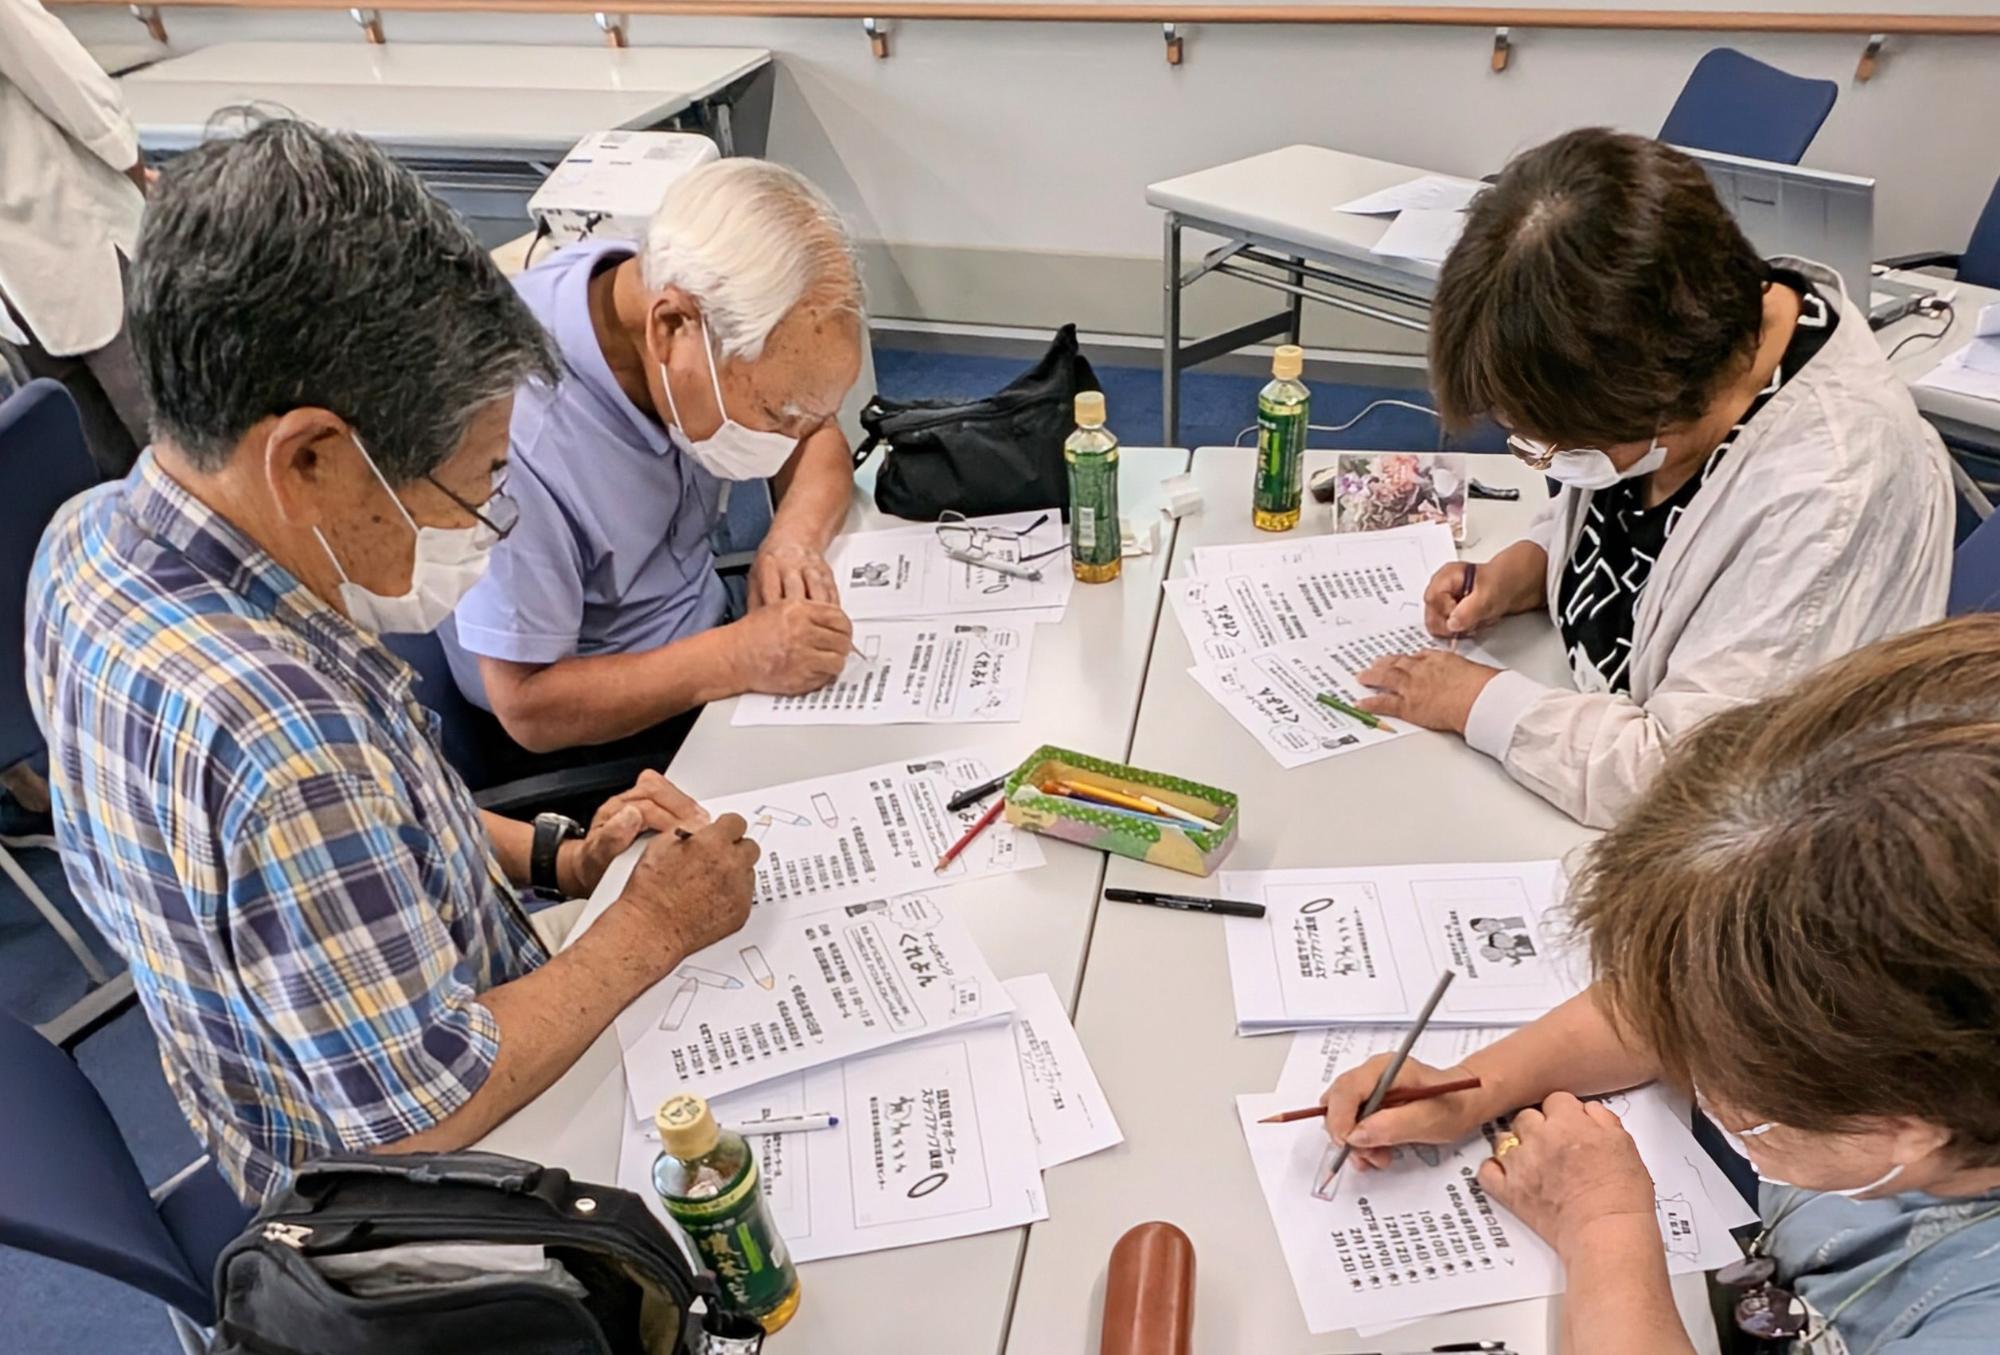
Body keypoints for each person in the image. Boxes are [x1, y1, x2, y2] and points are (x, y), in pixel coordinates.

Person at [27, 119, 760, 1205]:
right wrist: (653, 922)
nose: (487, 525)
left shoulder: (86, 536)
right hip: (406, 1181)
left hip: (362, 1020)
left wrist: (563, 858)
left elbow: (364, 846)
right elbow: (430, 1107)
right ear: (311, 457)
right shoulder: (282, 741)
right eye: (474, 484)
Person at [1321, 615, 2000, 1353]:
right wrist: (1474, 1086)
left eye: (1721, 1071)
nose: (1684, 1054)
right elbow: (1672, 1000)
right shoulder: (1900, 1038)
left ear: (1907, 1123)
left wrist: (1605, 1231)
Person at [1356, 129, 1953, 828]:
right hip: (1577, 707)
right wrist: (1530, 566)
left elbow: (1691, 781)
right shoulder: (1681, 346)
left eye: (1558, 444)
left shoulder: (1829, 491)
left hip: (1753, 854)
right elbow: (1620, 501)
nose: (1550, 461)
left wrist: (1476, 702)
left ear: (1659, 398)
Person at [441, 158, 863, 774]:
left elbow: (819, 439)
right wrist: (738, 657)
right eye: (776, 411)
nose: (792, 434)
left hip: (711, 635)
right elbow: (529, 706)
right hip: (603, 732)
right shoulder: (512, 433)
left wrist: (793, 540)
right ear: (671, 329)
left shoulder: (658, 287)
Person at [0, 0, 152, 475]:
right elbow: (82, 94)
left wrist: (132, 174)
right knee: (121, 463)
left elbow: (78, 94)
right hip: (42, 271)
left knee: (150, 454)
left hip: (65, 251)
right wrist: (137, 176)